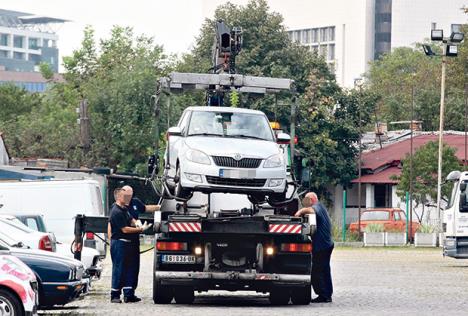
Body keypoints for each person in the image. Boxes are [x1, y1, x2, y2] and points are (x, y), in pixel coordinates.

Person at [109, 187, 151, 303]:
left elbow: (131, 219)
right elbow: (125, 230)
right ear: (119, 197)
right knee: (119, 269)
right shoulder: (116, 211)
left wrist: (137, 224)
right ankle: (115, 295)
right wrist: (140, 230)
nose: (128, 198)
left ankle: (129, 294)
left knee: (131, 268)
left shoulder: (124, 209)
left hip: (128, 244)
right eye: (125, 196)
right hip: (120, 242)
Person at [295, 192, 334, 303]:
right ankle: (327, 294)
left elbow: (311, 211)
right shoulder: (321, 207)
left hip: (322, 246)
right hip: (326, 244)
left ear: (311, 199)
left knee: (317, 271)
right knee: (325, 270)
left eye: (307, 200)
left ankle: (323, 295)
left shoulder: (317, 207)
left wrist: (300, 212)